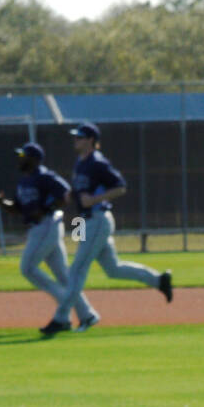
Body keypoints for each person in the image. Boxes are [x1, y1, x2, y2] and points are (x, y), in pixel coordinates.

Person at [41, 123, 173, 337]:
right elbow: (79, 191)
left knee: (75, 270)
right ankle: (159, 281)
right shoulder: (80, 162)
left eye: (80, 137)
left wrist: (95, 199)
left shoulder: (97, 162)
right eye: (75, 137)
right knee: (113, 269)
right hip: (84, 221)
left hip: (98, 220)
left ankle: (62, 319)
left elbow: (120, 186)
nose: (76, 140)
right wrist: (69, 197)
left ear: (91, 140)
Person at [0, 142, 96, 324]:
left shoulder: (44, 176)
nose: (20, 159)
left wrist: (47, 208)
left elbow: (67, 194)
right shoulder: (24, 180)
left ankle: (64, 301)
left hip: (47, 224)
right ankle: (87, 315)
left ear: (34, 159)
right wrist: (3, 204)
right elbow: (18, 208)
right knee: (63, 275)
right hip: (38, 228)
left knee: (27, 268)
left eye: (23, 156)